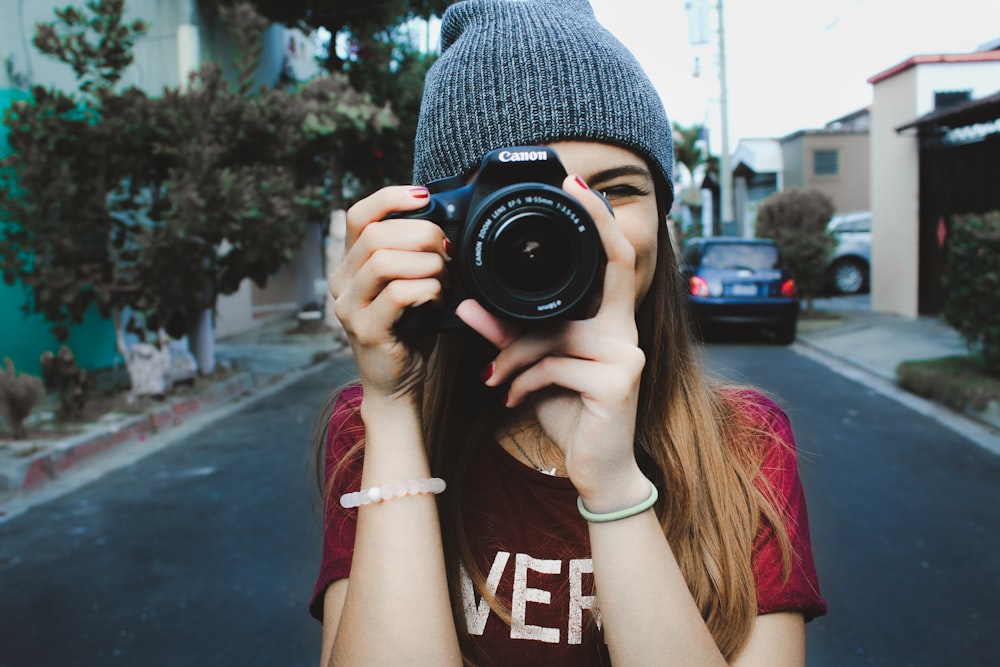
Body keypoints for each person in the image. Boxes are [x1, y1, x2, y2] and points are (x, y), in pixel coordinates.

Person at [309, 0, 826, 665]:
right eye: (517, 198)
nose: (570, 222)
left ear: (664, 225)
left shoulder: (745, 444)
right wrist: (392, 405)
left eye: (613, 189)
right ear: (437, 226)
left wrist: (612, 483)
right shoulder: (375, 424)